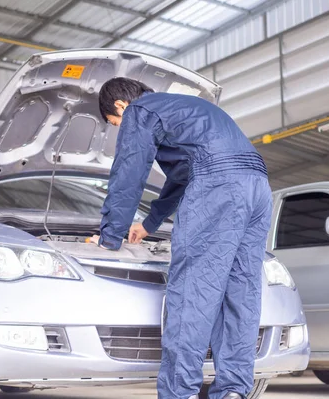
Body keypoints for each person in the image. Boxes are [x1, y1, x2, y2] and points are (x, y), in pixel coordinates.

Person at [89, 77, 272, 399]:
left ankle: (179, 392)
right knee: (241, 292)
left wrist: (110, 236)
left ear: (119, 106)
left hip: (219, 187)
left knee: (193, 293)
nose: (121, 127)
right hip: (257, 187)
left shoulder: (140, 110)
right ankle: (232, 390)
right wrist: (149, 223)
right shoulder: (189, 109)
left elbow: (129, 171)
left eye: (115, 123)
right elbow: (184, 174)